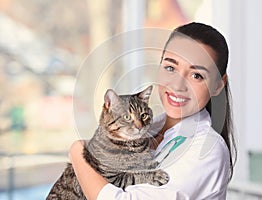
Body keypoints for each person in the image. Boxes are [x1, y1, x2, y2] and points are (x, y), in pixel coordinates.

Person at [69, 22, 237, 200]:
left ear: (218, 85)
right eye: (170, 68)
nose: (178, 85)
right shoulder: (151, 128)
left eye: (196, 75)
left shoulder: (207, 149)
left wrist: (78, 153)